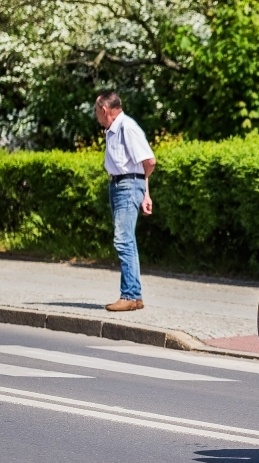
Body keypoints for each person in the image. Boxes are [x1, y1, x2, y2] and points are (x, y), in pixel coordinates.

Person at [94, 91, 156, 312]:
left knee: (123, 240)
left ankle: (129, 295)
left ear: (104, 109)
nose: (96, 116)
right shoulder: (113, 130)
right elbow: (139, 166)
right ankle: (135, 296)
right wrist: (145, 193)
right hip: (121, 184)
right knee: (127, 240)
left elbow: (148, 161)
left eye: (96, 111)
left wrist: (140, 188)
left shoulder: (126, 127)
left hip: (127, 185)